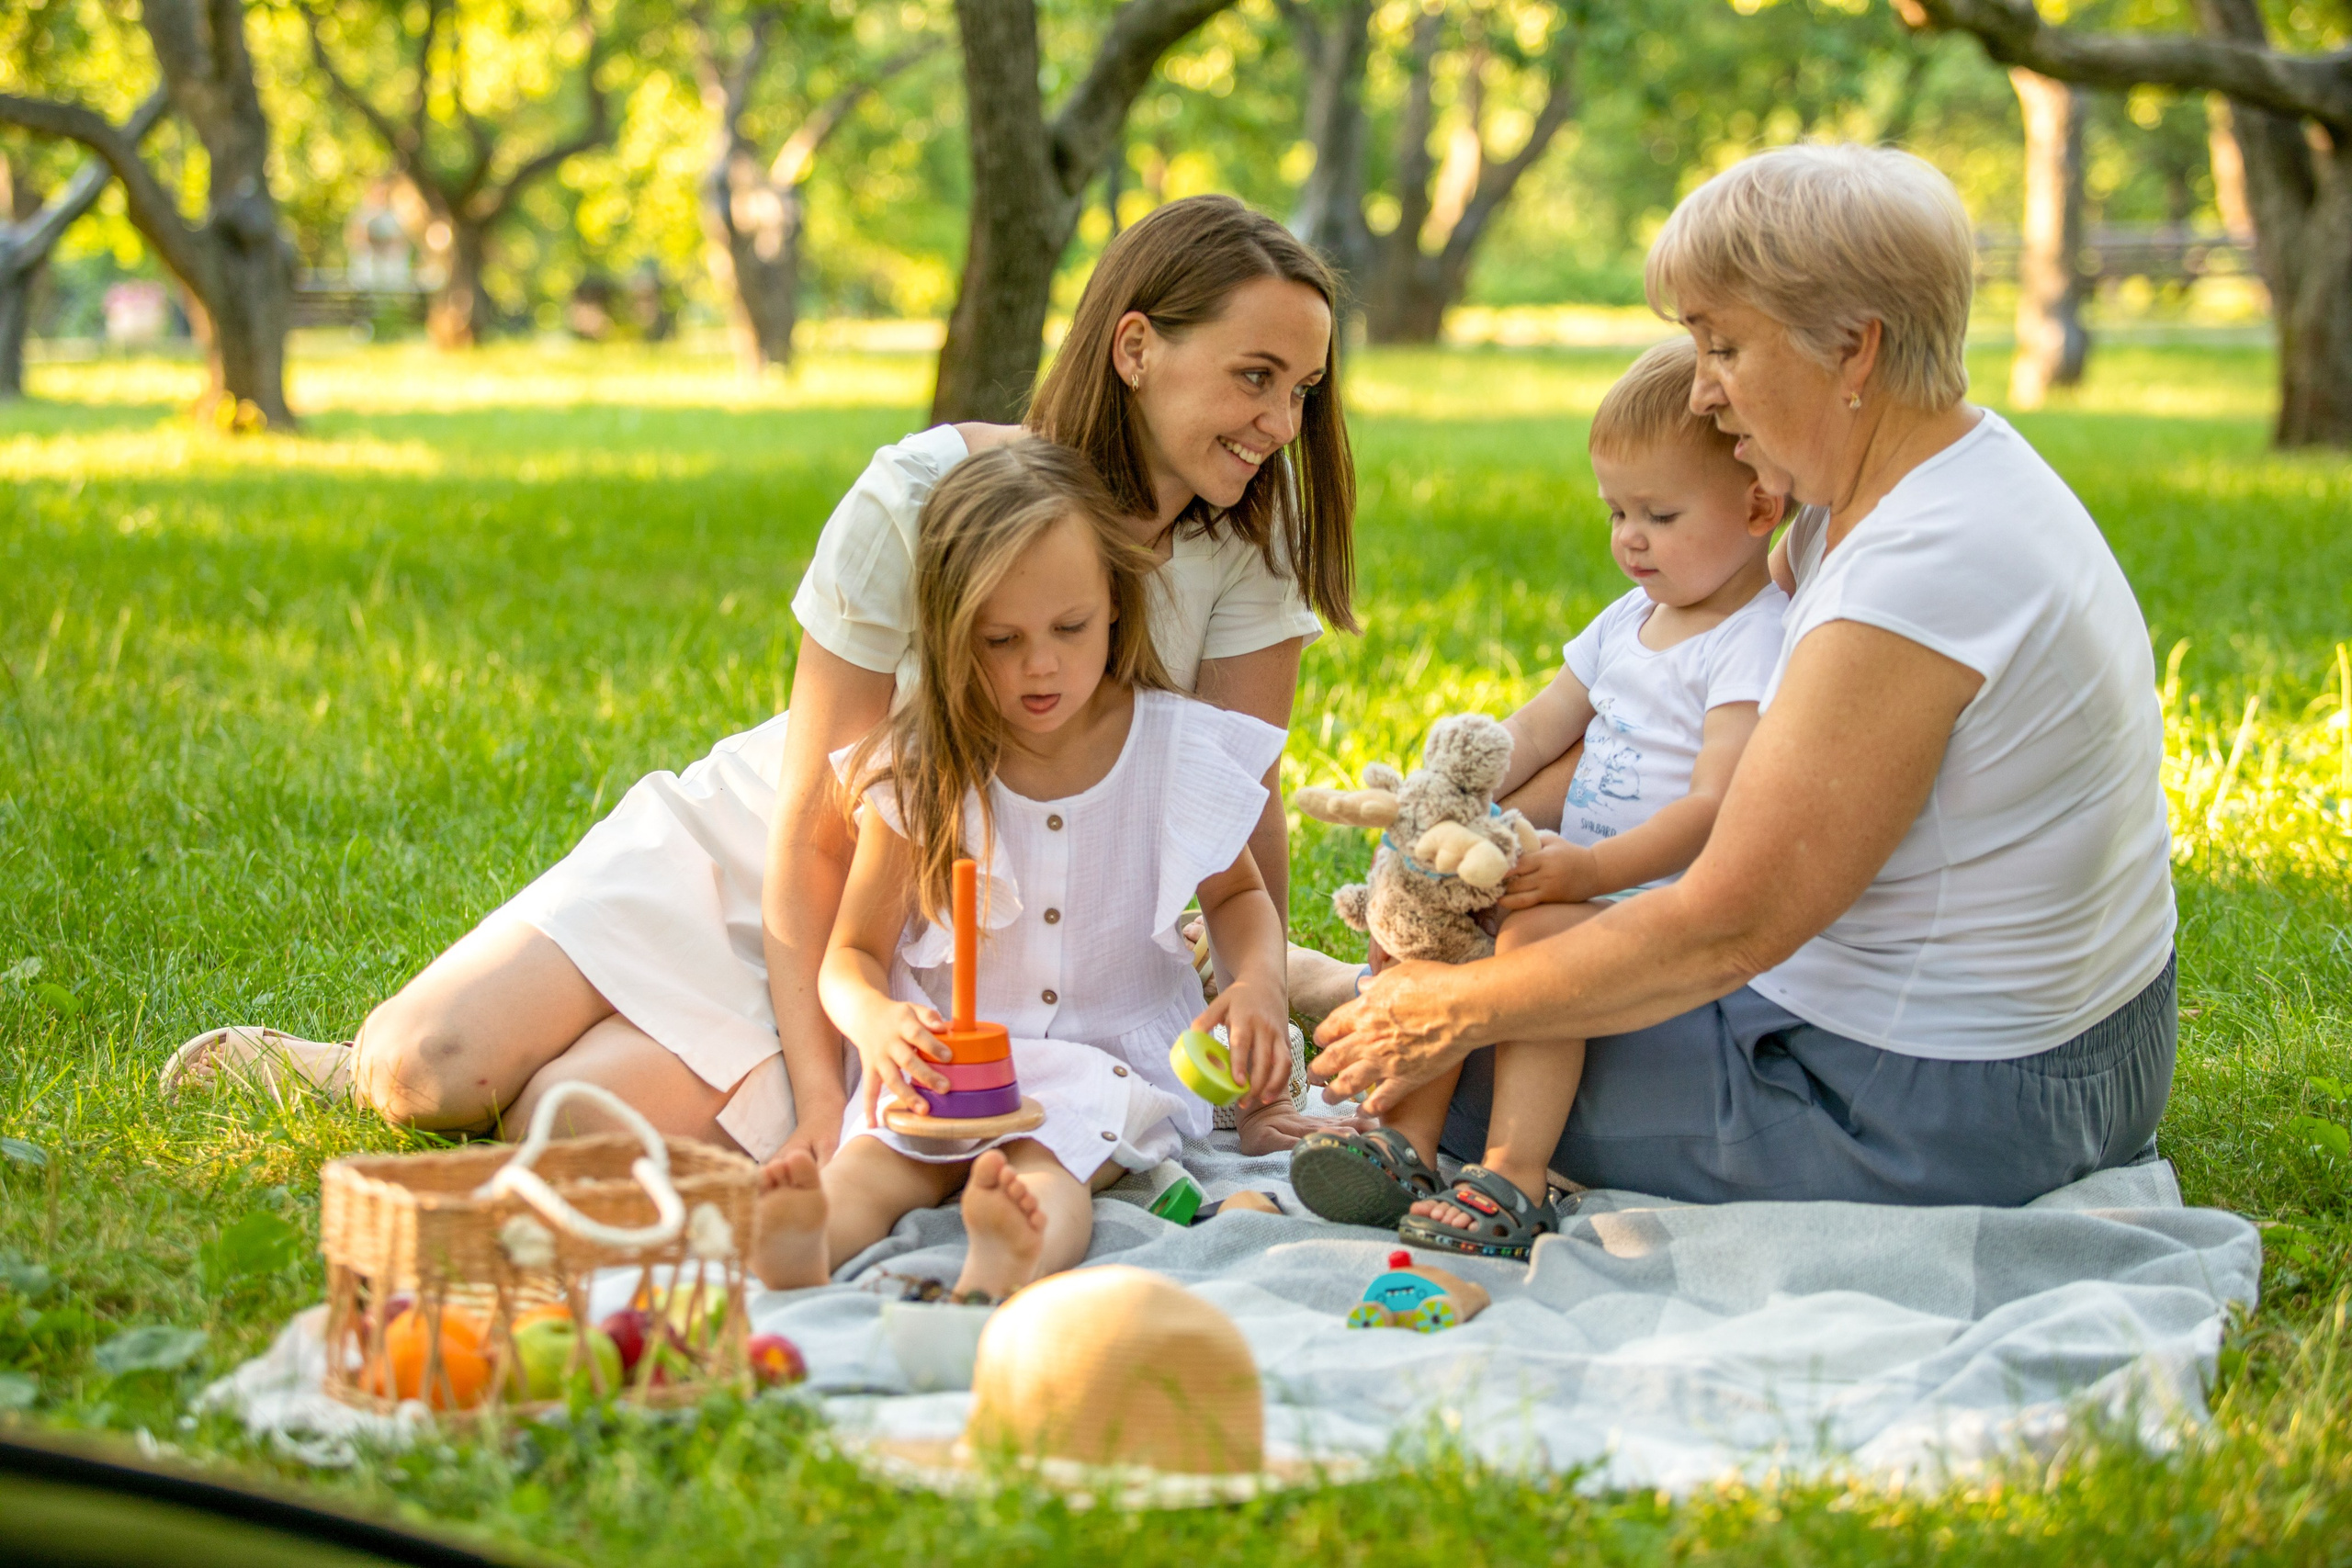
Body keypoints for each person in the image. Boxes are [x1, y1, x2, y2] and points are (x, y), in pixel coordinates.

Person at [162, 195, 1358, 1162]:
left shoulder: (1240, 555)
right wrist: (821, 1079)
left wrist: (1263, 1068)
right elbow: (813, 821)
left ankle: (636, 1055)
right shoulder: (923, 493)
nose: (1280, 423)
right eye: (1255, 375)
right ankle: (330, 1058)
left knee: (567, 1128)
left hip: (954, 933)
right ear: (1137, 344)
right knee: (427, 1067)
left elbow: (1238, 815)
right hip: (801, 858)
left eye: (1302, 391)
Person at [1306, 143, 2177, 1210]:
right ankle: (1359, 985)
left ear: (1854, 351)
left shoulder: (1912, 579)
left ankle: (1320, 988)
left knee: (1437, 1057)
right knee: (1482, 972)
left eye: (1722, 347)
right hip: (2077, 1057)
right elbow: (1651, 708)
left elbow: (1726, 925)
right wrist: (1467, 832)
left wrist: (1446, 1005)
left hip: (1930, 1107)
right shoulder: (1908, 488)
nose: (1704, 395)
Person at [752, 440, 1292, 1296]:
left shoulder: (1169, 744)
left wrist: (1260, 979)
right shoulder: (929, 765)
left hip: (1102, 1057)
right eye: (1001, 640)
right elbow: (850, 953)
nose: (1040, 665)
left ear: (1114, 604)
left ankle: (1011, 1255)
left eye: (1068, 629)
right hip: (945, 1063)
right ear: (951, 632)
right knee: (879, 1165)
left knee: (1050, 1169)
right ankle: (803, 1240)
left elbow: (1238, 898)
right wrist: (878, 1023)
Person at [1287, 339, 1788, 1254]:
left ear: (1758, 504)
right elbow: (1535, 731)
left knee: (1535, 942)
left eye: (1660, 514)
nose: (1629, 538)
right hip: (1565, 875)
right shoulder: (1626, 621)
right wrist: (1441, 806)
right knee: (1449, 919)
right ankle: (1405, 1141)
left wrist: (1588, 871)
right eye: (1616, 512)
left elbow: (1717, 805)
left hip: (1656, 901)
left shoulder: (1751, 642)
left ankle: (1514, 1178)